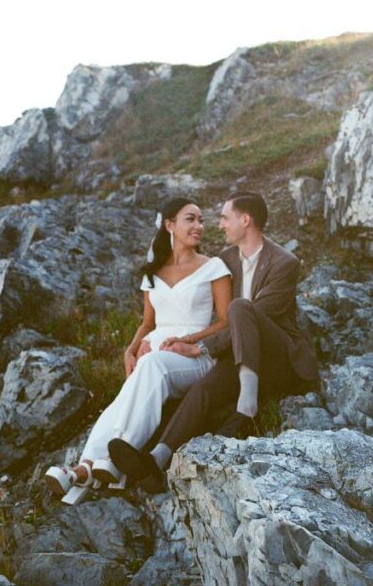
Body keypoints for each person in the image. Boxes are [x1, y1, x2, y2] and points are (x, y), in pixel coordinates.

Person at [108, 191, 318, 482]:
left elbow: (255, 316)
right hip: (240, 354)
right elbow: (208, 315)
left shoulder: (284, 262)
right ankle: (157, 460)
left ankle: (247, 408)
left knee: (241, 307)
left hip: (278, 356)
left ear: (245, 220)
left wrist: (201, 348)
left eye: (224, 218)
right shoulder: (225, 260)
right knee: (202, 390)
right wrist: (153, 337)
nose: (219, 225)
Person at [43, 196, 232, 504]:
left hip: (196, 356)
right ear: (170, 225)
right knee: (134, 382)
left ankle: (117, 454)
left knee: (153, 365)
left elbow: (226, 322)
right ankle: (84, 468)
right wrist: (130, 350)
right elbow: (147, 323)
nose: (199, 225)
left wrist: (190, 341)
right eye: (191, 219)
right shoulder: (153, 273)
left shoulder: (213, 267)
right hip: (155, 356)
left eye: (201, 220)